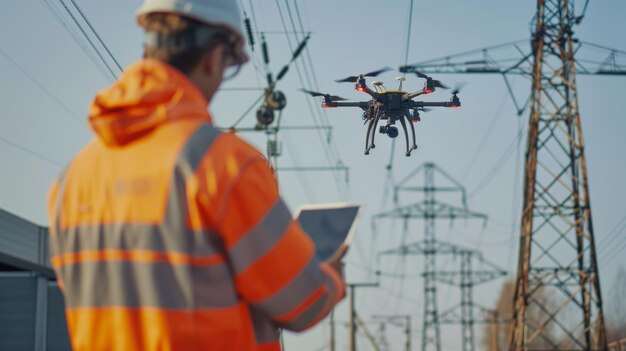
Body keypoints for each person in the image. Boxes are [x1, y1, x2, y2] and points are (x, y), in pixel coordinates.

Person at [47, 1, 347, 350]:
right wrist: (331, 275)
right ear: (214, 56)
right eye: (229, 65)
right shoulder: (224, 165)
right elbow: (302, 303)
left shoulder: (73, 179)